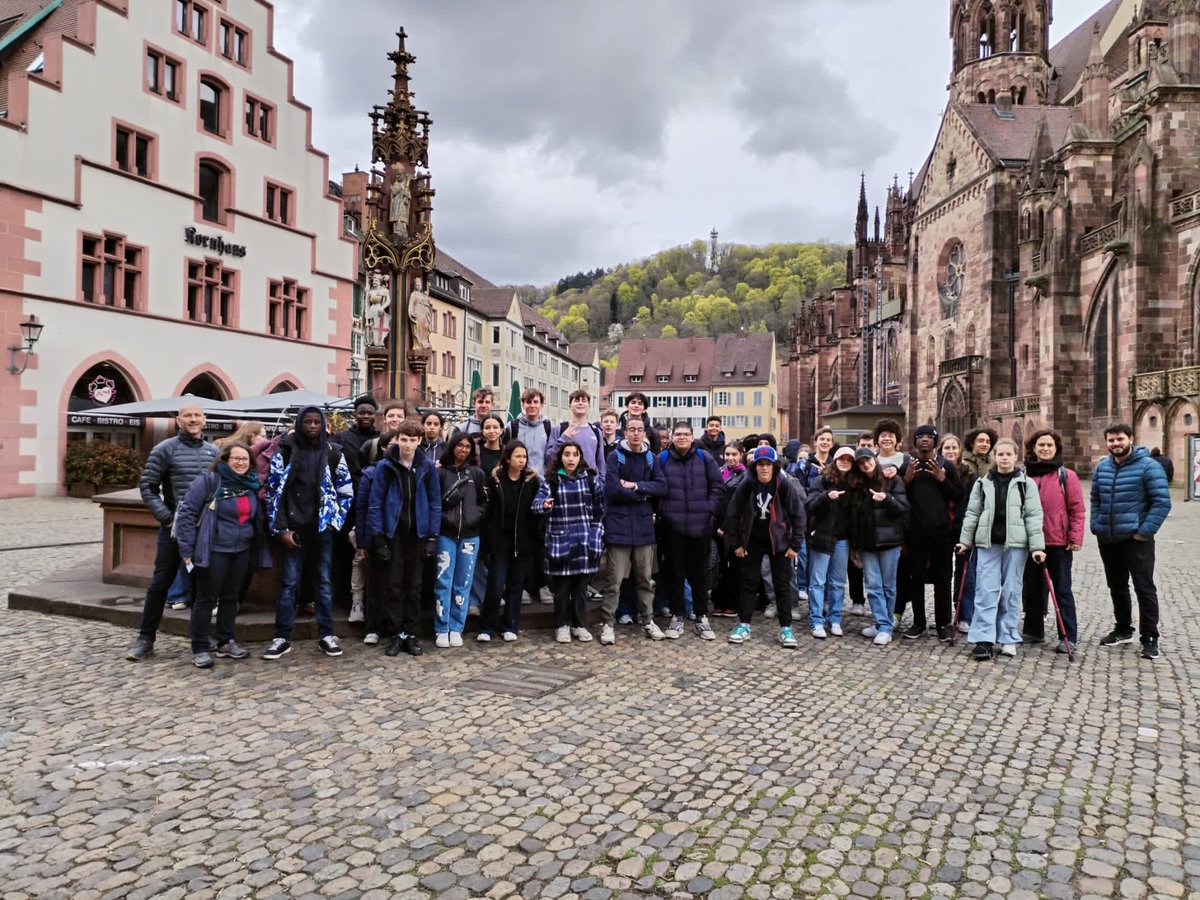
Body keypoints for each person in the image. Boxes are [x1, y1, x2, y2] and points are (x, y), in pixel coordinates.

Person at [125, 403, 220, 661]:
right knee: (160, 584)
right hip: (174, 530)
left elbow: (220, 489)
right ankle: (146, 638)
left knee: (204, 588)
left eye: (197, 415)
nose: (193, 419)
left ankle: (201, 639)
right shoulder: (164, 449)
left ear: (205, 419)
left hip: (204, 531)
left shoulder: (214, 452)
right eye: (187, 415)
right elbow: (148, 487)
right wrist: (167, 518)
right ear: (179, 420)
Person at [261, 406, 354, 660]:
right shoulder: (285, 451)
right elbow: (273, 493)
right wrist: (280, 529)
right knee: (289, 583)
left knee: (323, 582)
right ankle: (282, 636)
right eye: (308, 422)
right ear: (300, 424)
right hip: (293, 528)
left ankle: (326, 634)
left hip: (322, 529)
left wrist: (335, 521)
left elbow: (346, 490)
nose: (313, 426)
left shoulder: (333, 452)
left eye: (317, 422)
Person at [173, 442, 269, 668]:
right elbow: (187, 512)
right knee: (206, 599)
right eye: (236, 458)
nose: (241, 463)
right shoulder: (210, 481)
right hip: (214, 550)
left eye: (245, 459)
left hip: (241, 550)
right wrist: (186, 549)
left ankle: (225, 641)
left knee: (231, 597)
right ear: (225, 460)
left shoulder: (250, 485)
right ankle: (199, 647)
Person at [956, 438, 1046, 661]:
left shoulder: (1027, 484)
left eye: (1008, 454)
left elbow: (1034, 517)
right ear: (995, 457)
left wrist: (1037, 547)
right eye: (1001, 454)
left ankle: (1007, 636)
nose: (1004, 458)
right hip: (988, 544)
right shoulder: (982, 483)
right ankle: (984, 639)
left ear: (1016, 457)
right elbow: (972, 514)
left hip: (1016, 545)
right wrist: (965, 541)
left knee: (1011, 592)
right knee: (985, 591)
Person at [1090, 423, 1171, 659]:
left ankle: (1150, 637)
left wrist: (1143, 532)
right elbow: (1095, 499)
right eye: (1112, 440)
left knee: (1144, 587)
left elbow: (1162, 502)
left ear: (1131, 439)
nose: (1116, 443)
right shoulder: (1102, 467)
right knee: (1117, 586)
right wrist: (1096, 524)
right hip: (1108, 537)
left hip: (1136, 539)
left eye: (1120, 439)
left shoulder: (1148, 466)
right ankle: (1123, 629)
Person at [367, 419, 441, 657]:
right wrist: (378, 536)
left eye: (412, 440)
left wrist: (432, 536)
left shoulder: (426, 467)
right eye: (404, 440)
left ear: (420, 441)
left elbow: (434, 503)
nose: (408, 445)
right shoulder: (385, 466)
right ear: (397, 439)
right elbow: (376, 503)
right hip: (394, 532)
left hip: (418, 533)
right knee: (394, 585)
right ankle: (396, 633)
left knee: (414, 586)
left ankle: (411, 633)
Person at [723, 446, 805, 648]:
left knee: (782, 584)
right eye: (760, 464)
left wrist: (795, 544)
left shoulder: (783, 485)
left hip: (778, 541)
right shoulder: (747, 484)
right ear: (755, 467)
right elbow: (732, 514)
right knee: (748, 582)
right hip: (752, 540)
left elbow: (798, 515)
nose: (764, 468)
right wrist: (737, 544)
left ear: (774, 466)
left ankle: (786, 628)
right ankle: (744, 625)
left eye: (768, 464)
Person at [601, 417, 668, 644]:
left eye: (640, 430)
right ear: (625, 432)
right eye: (632, 430)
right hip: (618, 527)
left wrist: (635, 486)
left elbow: (662, 487)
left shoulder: (651, 458)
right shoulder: (615, 456)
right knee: (614, 581)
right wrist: (643, 496)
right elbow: (612, 490)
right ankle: (608, 624)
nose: (636, 434)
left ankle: (648, 620)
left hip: (643, 529)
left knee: (644, 579)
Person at [534, 439, 605, 643]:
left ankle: (579, 624)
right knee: (562, 589)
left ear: (580, 457)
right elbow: (536, 505)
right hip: (560, 541)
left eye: (575, 454)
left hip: (584, 541)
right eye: (567, 454)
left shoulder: (590, 480)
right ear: (561, 458)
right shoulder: (552, 481)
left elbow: (599, 511)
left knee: (581, 588)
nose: (571, 458)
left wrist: (596, 535)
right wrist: (545, 505)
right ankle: (561, 624)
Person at [658, 421, 724, 640]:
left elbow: (717, 486)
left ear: (692, 436)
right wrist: (664, 511)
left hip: (701, 525)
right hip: (673, 526)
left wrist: (709, 509)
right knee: (675, 574)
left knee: (699, 575)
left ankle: (701, 616)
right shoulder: (663, 459)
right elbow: (656, 487)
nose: (682, 438)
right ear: (672, 437)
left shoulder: (705, 458)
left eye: (686, 434)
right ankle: (677, 616)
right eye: (678, 434)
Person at [1021, 429, 1085, 653]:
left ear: (1056, 448)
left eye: (1049, 445)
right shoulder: (1024, 474)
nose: (1045, 449)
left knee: (1061, 589)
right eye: (1041, 445)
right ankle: (1033, 629)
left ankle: (1068, 634)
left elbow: (1077, 509)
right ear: (1034, 448)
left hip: (1058, 541)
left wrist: (1075, 536)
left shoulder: (1066, 475)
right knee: (1032, 588)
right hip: (1029, 541)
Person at [897, 424, 962, 641]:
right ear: (914, 442)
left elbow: (959, 497)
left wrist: (942, 479)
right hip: (915, 532)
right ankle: (918, 622)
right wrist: (906, 480)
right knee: (916, 578)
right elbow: (899, 497)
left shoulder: (947, 467)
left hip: (941, 532)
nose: (924, 440)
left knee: (943, 579)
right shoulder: (908, 465)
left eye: (928, 436)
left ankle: (943, 622)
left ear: (935, 441)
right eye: (919, 436)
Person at [478, 441, 543, 642]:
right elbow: (488, 510)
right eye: (518, 456)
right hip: (500, 540)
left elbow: (535, 511)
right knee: (495, 584)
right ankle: (487, 626)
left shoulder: (531, 481)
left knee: (516, 585)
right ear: (508, 458)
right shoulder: (496, 480)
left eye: (524, 457)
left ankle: (510, 625)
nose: (522, 460)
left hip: (522, 540)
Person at [848, 448, 908, 646]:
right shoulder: (857, 484)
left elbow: (902, 508)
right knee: (873, 585)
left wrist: (887, 498)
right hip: (867, 543)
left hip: (889, 540)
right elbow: (855, 518)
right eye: (861, 462)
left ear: (875, 459)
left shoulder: (892, 479)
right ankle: (882, 624)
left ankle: (884, 626)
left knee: (888, 586)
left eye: (868, 460)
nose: (865, 464)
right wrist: (855, 546)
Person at [434, 432, 487, 648]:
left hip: (470, 535)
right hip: (446, 534)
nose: (463, 450)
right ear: (452, 447)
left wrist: (475, 517)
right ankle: (441, 627)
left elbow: (484, 502)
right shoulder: (440, 473)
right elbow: (434, 502)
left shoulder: (477, 473)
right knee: (443, 581)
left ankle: (457, 627)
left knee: (463, 583)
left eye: (467, 446)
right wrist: (444, 520)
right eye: (460, 445)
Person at [353, 428, 400, 646]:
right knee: (375, 582)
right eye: (392, 444)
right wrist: (363, 541)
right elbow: (362, 508)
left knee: (396, 583)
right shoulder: (371, 473)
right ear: (383, 447)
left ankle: (393, 626)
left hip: (400, 534)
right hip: (375, 534)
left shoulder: (408, 470)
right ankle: (373, 626)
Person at [805, 446, 857, 638]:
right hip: (822, 535)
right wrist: (826, 497)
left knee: (837, 583)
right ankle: (816, 620)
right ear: (835, 460)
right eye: (841, 458)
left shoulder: (854, 484)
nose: (844, 461)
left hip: (843, 539)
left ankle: (834, 619)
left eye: (848, 459)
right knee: (817, 581)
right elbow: (809, 506)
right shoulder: (822, 480)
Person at [938, 433, 973, 633]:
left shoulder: (968, 473)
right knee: (944, 574)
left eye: (954, 448)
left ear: (960, 451)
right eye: (947, 448)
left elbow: (970, 501)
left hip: (963, 528)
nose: (951, 451)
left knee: (965, 574)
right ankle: (944, 617)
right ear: (940, 451)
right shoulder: (935, 470)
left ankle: (963, 615)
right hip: (943, 528)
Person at [712, 442, 749, 619]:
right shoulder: (719, 473)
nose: (730, 458)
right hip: (717, 527)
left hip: (735, 529)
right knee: (720, 567)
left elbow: (739, 506)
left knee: (734, 567)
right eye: (727, 454)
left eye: (734, 454)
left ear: (741, 455)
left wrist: (726, 527)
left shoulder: (745, 476)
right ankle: (719, 601)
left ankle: (732, 603)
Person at [547, 389, 606, 480]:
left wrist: (601, 483)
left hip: (591, 485)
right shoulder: (559, 429)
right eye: (576, 400)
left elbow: (601, 462)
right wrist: (564, 438)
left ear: (589, 406)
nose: (580, 403)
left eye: (584, 400)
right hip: (564, 483)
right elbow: (549, 457)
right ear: (570, 405)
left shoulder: (596, 432)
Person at [503, 388, 552, 476]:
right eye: (528, 402)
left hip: (542, 481)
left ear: (541, 405)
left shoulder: (548, 427)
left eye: (536, 402)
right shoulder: (512, 427)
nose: (532, 405)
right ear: (523, 405)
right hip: (518, 481)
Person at [360, 400, 407, 467]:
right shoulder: (371, 446)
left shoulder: (412, 444)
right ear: (384, 418)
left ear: (405, 419)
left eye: (399, 416)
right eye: (391, 416)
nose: (395, 419)